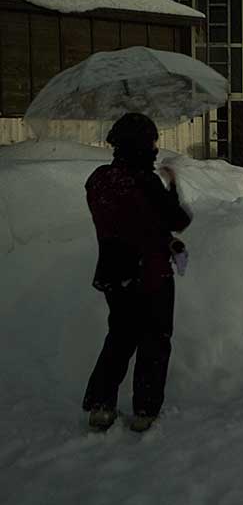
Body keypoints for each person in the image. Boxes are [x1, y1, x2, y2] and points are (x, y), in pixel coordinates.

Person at [82, 113, 192, 432]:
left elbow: (127, 224)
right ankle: (144, 410)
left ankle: (101, 406)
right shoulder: (144, 180)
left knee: (119, 337)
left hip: (114, 274)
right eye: (153, 141)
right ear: (143, 144)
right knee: (154, 341)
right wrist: (171, 184)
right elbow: (177, 219)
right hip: (151, 274)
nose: (156, 147)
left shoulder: (99, 178)